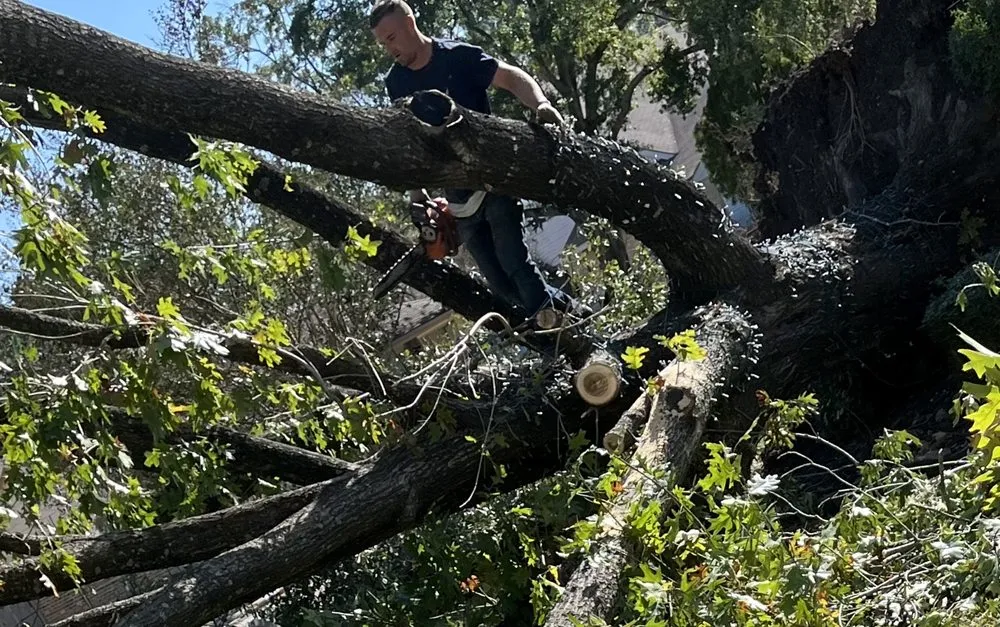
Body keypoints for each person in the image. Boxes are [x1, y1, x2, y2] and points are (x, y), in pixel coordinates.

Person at [369, 0, 577, 323]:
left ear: (410, 24)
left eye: (392, 38)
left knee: (516, 264)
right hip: (459, 201)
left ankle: (556, 336)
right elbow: (407, 141)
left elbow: (510, 77)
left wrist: (541, 105)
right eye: (383, 43)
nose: (389, 49)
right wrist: (417, 196)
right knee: (500, 283)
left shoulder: (457, 56)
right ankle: (573, 314)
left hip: (494, 179)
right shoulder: (395, 84)